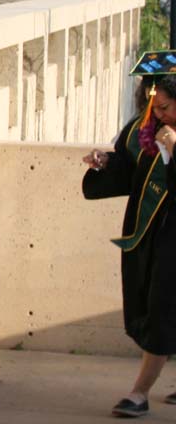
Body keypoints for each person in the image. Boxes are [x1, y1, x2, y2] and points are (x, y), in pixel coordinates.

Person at [83, 54, 176, 418]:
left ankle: (139, 393)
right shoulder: (144, 129)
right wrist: (106, 162)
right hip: (149, 231)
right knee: (150, 301)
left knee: (161, 306)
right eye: (154, 107)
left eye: (165, 107)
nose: (158, 115)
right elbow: (129, 166)